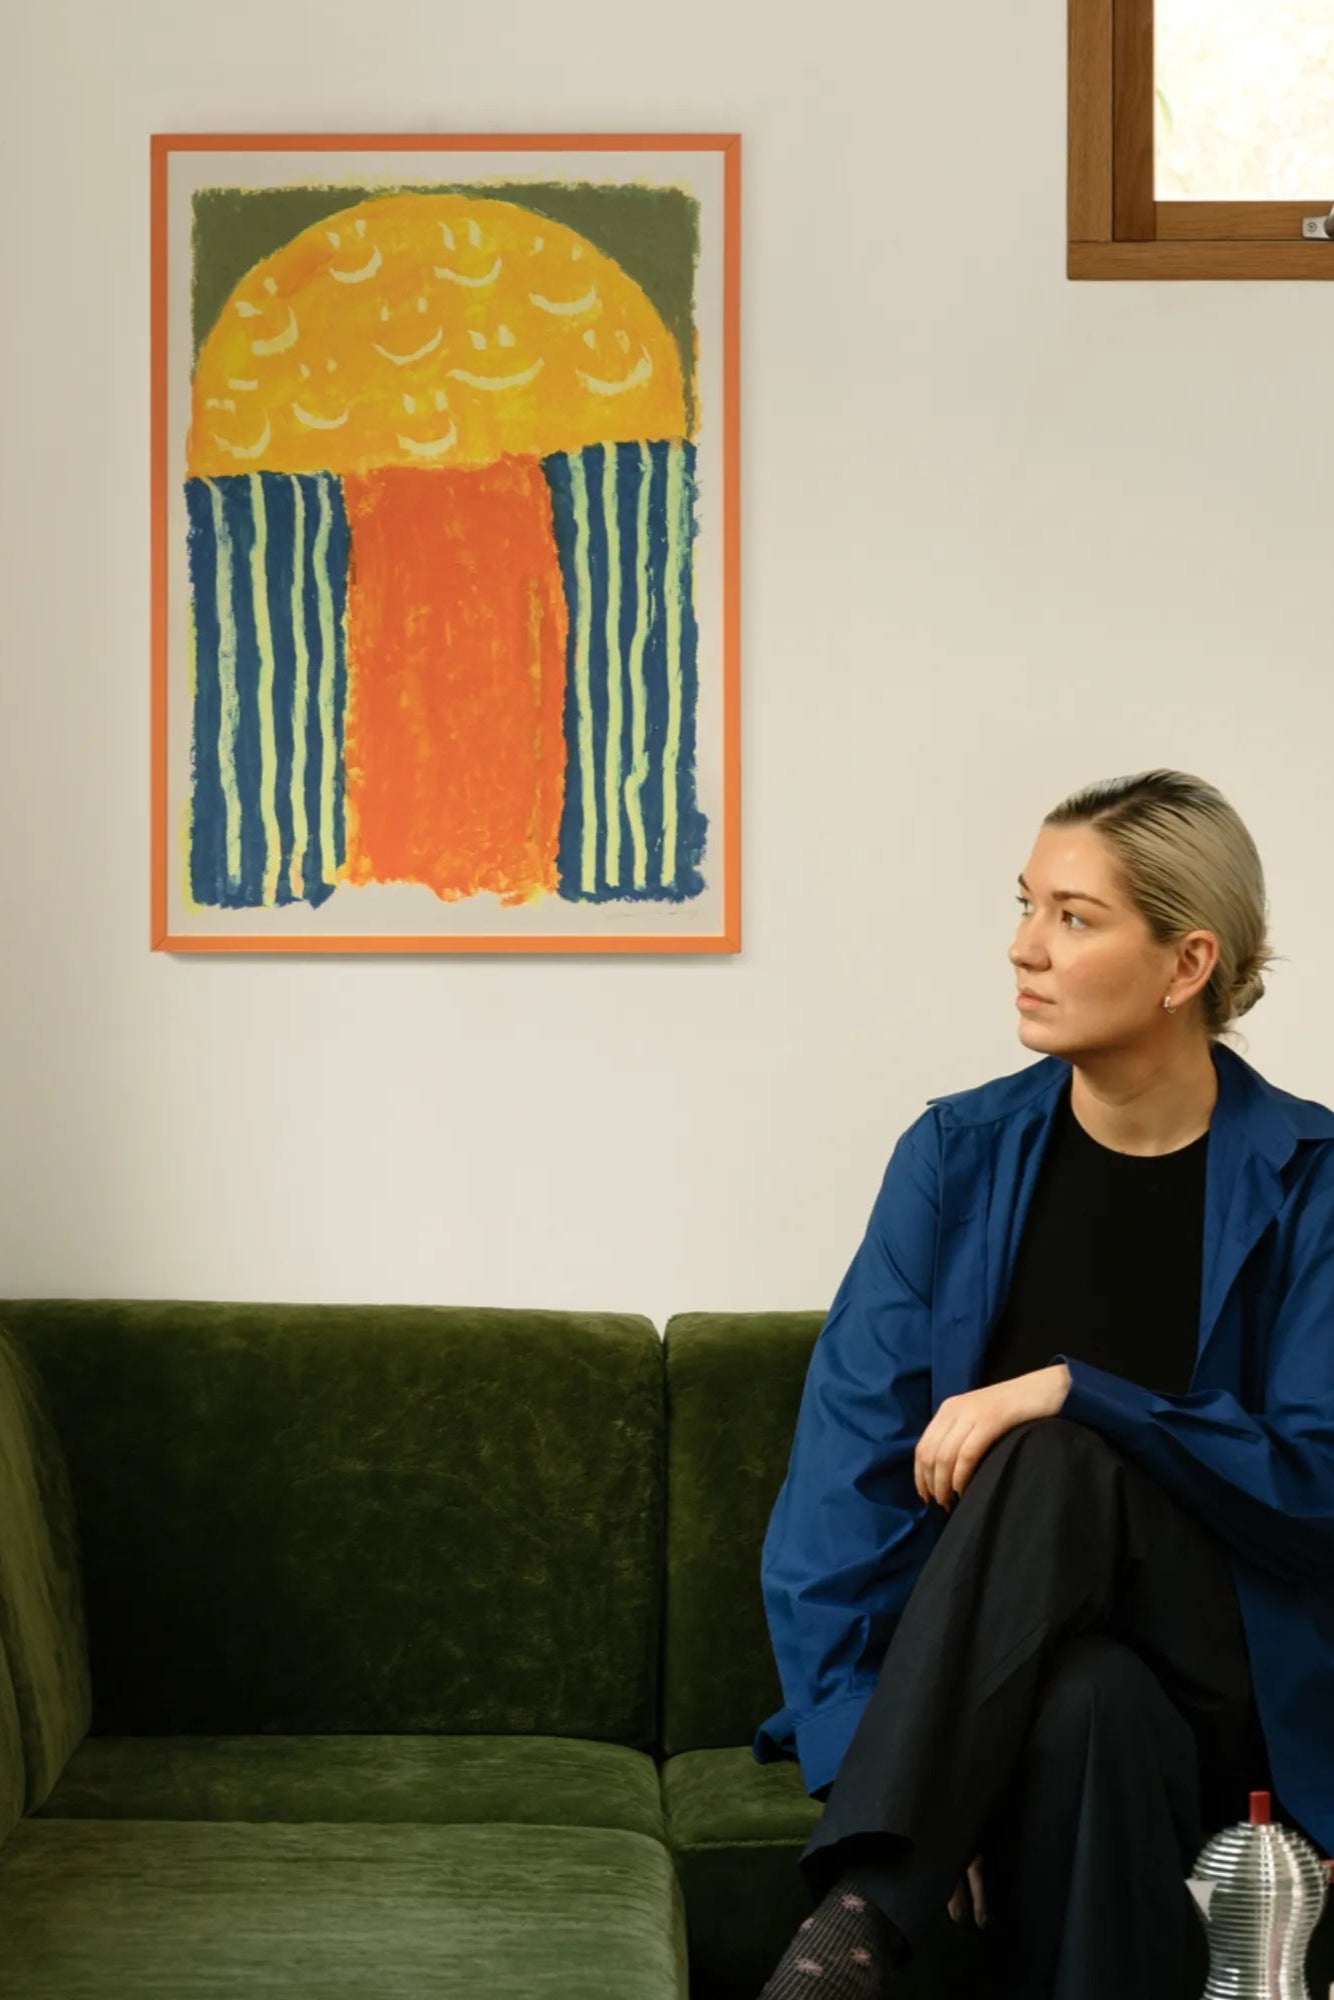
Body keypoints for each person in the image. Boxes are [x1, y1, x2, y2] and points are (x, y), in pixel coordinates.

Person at [751, 769, 1334, 2000]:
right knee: (1086, 1708)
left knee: (1058, 1450)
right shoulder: (955, 1156)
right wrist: (899, 1757)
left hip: (1242, 1669)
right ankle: (890, 1869)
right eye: (1025, 904)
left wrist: (1079, 1390)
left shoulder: (1314, 1182)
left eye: (1073, 916)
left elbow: (1316, 1489)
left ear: (1185, 964)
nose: (1021, 946)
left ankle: (860, 1915)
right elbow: (837, 1491)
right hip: (1019, 1676)